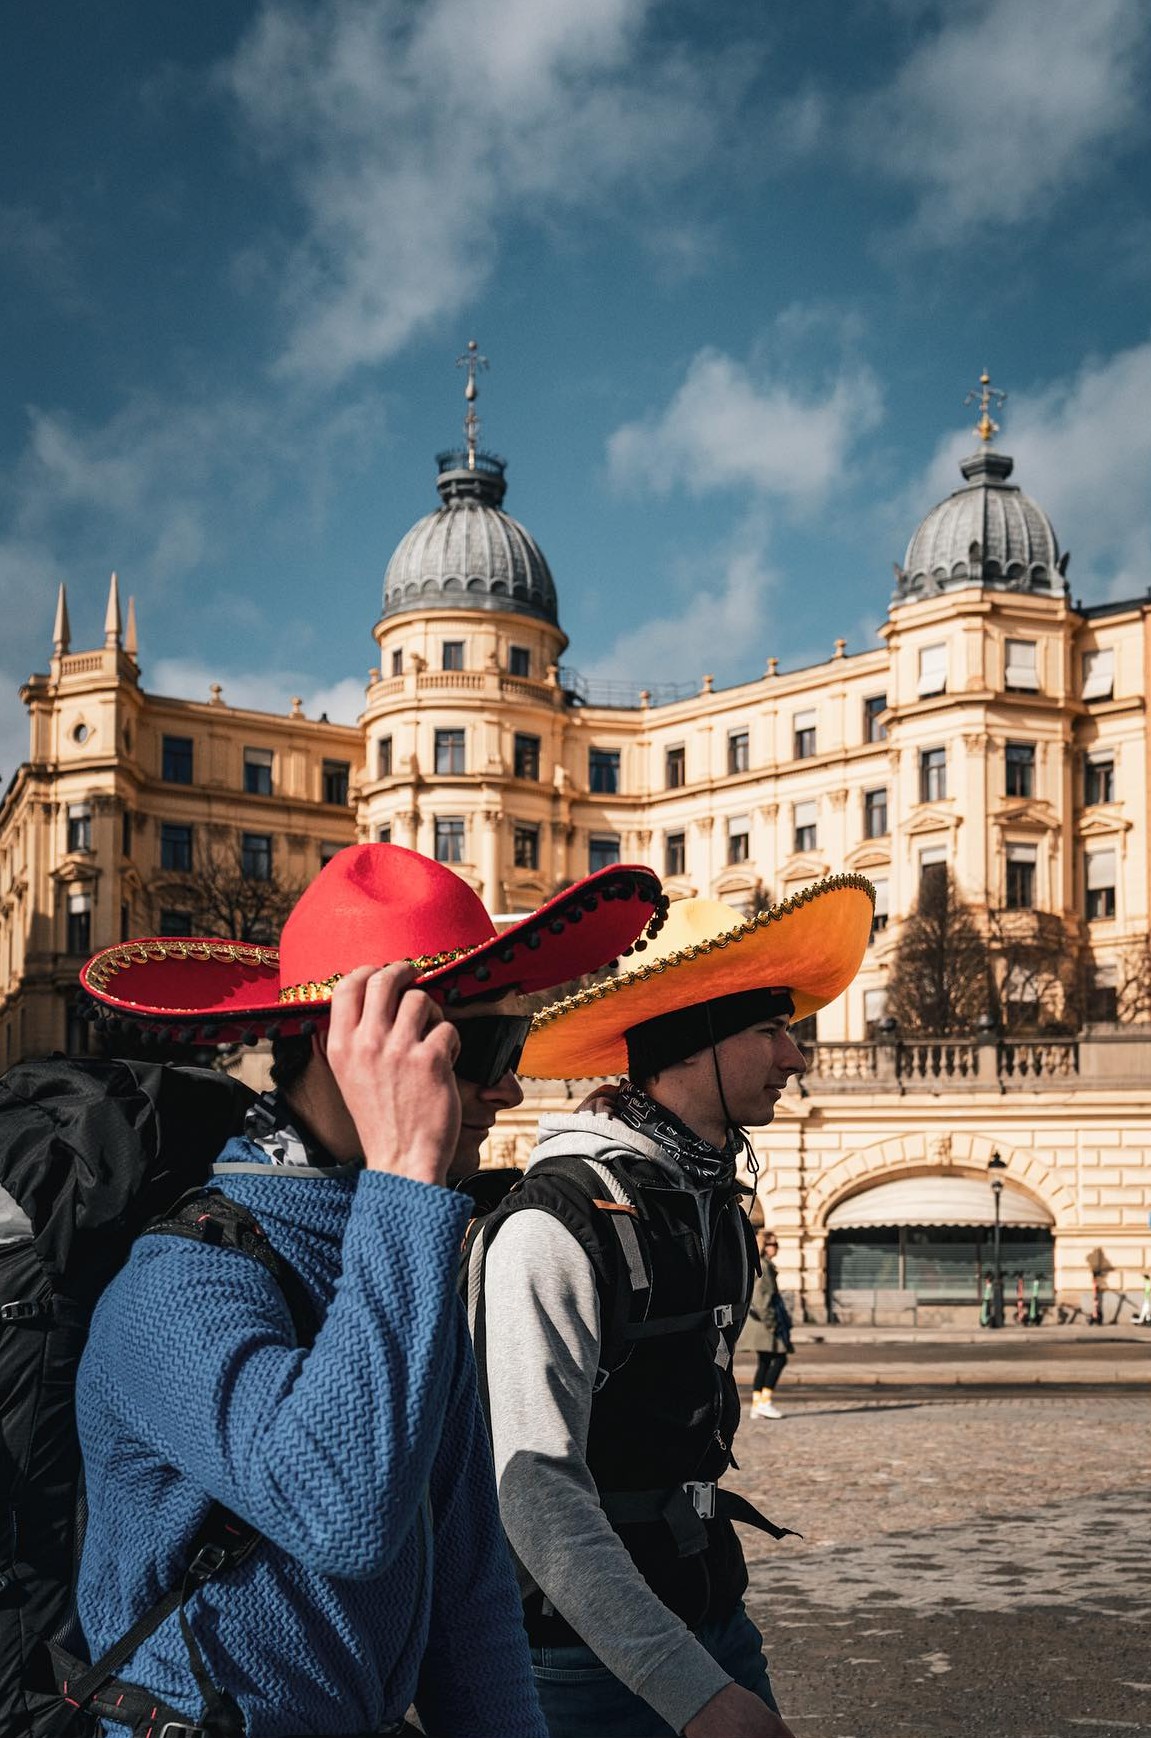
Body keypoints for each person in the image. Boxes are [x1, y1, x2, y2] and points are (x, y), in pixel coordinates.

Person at [72, 842, 663, 1738]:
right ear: (350, 1048)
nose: (508, 1086)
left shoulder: (405, 1250)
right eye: (482, 1046)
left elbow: (469, 1591)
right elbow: (343, 1512)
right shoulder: (181, 1283)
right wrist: (407, 1176)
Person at [464, 877, 873, 1738]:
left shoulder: (711, 1197)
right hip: (581, 1659)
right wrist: (688, 1690)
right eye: (770, 1031)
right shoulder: (557, 1225)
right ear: (692, 1045)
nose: (795, 1059)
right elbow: (533, 1490)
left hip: (710, 1613)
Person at [745, 1230, 794, 1420]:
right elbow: (762, 1299)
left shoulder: (763, 1265)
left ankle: (758, 1404)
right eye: (773, 1244)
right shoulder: (764, 1267)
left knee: (765, 1362)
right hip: (765, 1324)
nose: (776, 1248)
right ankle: (764, 1402)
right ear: (765, 1246)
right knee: (780, 1359)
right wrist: (772, 1324)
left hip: (760, 1323)